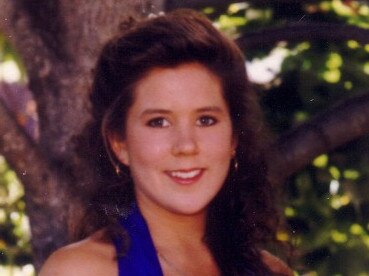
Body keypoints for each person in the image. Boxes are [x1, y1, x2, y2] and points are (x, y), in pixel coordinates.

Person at [40, 9, 293, 276]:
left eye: (206, 120)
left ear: (234, 138)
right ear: (119, 143)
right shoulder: (80, 271)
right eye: (159, 122)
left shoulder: (271, 271)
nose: (186, 146)